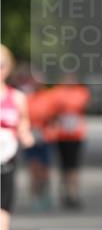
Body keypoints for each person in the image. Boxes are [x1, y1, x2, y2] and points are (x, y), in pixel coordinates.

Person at [0, 45, 35, 230]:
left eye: (2, 64)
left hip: (6, 168)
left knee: (1, 227)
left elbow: (24, 124)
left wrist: (25, 133)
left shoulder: (17, 98)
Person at [49, 78, 90, 208]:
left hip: (76, 134)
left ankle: (73, 194)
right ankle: (63, 192)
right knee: (63, 165)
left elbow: (79, 105)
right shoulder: (56, 91)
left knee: (73, 165)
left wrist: (64, 106)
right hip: (60, 134)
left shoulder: (80, 91)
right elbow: (52, 108)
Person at [23, 73, 57, 210]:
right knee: (33, 169)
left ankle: (45, 195)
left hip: (45, 138)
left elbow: (55, 117)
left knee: (44, 170)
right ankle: (35, 197)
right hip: (31, 137)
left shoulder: (49, 97)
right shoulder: (27, 98)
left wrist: (51, 129)